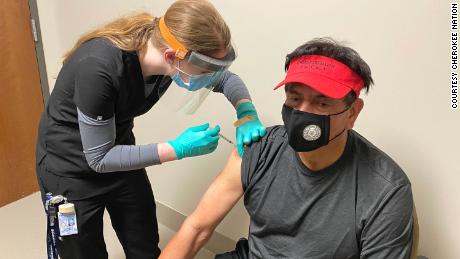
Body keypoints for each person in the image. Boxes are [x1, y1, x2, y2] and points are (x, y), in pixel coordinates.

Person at [35, 1, 266, 258]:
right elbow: (98, 159)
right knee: (81, 252)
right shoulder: (99, 67)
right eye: (204, 72)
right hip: (70, 169)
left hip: (120, 153)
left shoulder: (169, 58)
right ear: (171, 57)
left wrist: (246, 112)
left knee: (143, 240)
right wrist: (178, 149)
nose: (208, 78)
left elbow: (224, 78)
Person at [159, 38, 415, 259]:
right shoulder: (258, 149)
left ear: (352, 113)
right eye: (294, 98)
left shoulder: (386, 190)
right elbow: (196, 229)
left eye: (321, 103)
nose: (302, 112)